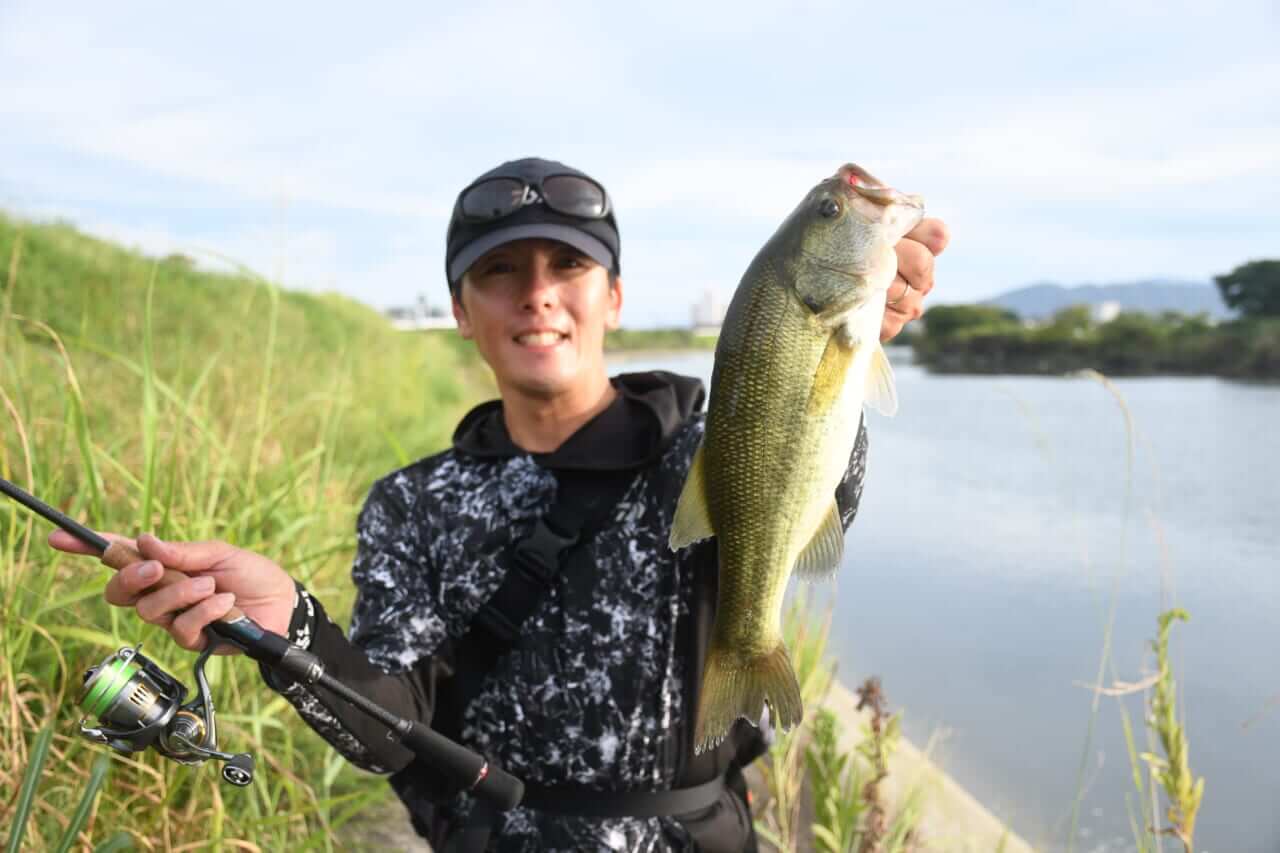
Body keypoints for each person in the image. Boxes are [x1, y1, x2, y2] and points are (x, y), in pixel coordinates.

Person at [50, 157, 948, 852]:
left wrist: (867, 316)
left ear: (615, 296)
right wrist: (290, 630)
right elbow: (389, 731)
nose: (539, 292)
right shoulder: (412, 503)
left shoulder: (699, 444)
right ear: (460, 310)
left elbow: (829, 478)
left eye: (569, 263)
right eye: (501, 271)